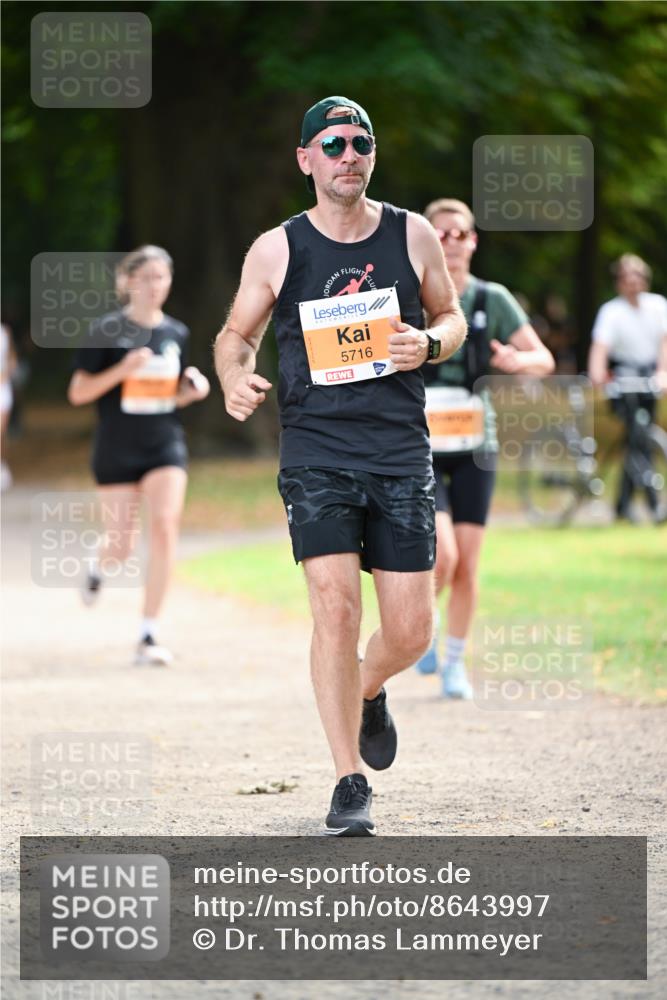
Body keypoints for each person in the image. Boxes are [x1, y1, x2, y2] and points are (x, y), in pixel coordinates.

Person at [214, 97, 466, 836]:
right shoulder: (277, 248)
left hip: (397, 450)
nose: (348, 153)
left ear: (372, 155)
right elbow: (235, 334)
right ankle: (347, 781)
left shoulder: (411, 234)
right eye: (332, 143)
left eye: (361, 141)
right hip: (317, 449)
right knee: (333, 606)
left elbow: (446, 315)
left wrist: (432, 344)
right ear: (306, 159)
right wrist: (234, 377)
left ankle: (364, 689)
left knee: (412, 630)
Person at [415, 198, 554, 696]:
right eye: (441, 234)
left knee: (469, 563)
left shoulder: (490, 299)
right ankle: (418, 631)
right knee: (443, 557)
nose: (451, 243)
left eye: (460, 234)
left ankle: (453, 662)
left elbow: (544, 358)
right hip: (422, 445)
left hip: (477, 443)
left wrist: (518, 360)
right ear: (428, 241)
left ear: (474, 241)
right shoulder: (410, 296)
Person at [67, 245, 210, 664]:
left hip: (163, 443)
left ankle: (148, 634)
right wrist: (122, 369)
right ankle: (98, 563)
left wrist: (192, 391)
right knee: (122, 545)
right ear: (128, 281)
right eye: (145, 277)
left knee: (165, 526)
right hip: (116, 449)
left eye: (161, 278)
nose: (153, 286)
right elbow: (78, 393)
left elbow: (167, 396)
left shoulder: (176, 334)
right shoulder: (105, 331)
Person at [588, 253, 667, 522]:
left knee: (640, 439)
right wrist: (597, 374)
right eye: (626, 278)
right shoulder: (612, 311)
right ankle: (653, 504)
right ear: (619, 283)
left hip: (648, 377)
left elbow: (664, 343)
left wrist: (663, 372)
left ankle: (622, 506)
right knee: (637, 436)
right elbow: (600, 348)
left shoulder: (658, 306)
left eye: (638, 277)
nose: (633, 283)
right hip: (623, 377)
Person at [1, 322, 17, 492]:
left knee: (1, 432)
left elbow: (12, 359)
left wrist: (7, 373)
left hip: (2, 390)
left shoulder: (4, 331)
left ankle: (1, 466)